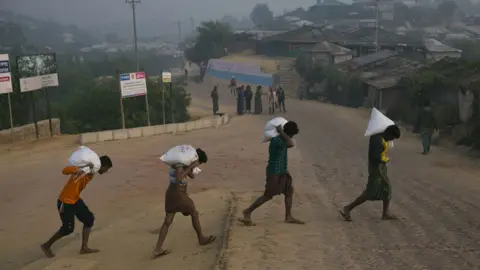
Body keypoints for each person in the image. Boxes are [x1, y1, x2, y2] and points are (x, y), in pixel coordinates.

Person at [40, 156, 113, 258]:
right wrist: (80, 169)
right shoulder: (84, 169)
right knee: (67, 228)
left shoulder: (91, 171)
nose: (106, 171)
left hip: (75, 199)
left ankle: (84, 247)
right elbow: (65, 170)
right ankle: (46, 245)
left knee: (89, 219)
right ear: (103, 166)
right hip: (65, 202)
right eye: (107, 169)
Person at [152, 149, 216, 258]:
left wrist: (191, 166)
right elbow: (178, 179)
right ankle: (201, 238)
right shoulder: (179, 164)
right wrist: (191, 167)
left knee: (168, 220)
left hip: (172, 193)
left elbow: (192, 176)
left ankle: (157, 249)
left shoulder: (184, 163)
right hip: (178, 193)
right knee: (194, 212)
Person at [239, 122, 304, 226]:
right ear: (288, 133)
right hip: (274, 172)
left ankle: (288, 216)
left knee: (289, 192)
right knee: (268, 196)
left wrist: (282, 133)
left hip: (282, 171)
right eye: (292, 134)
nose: (292, 136)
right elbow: (291, 143)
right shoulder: (277, 140)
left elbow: (290, 142)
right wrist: (281, 132)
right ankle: (247, 211)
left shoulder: (282, 139)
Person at [340, 125, 401, 222]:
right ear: (388, 133)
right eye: (392, 137)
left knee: (387, 189)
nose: (391, 140)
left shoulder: (378, 137)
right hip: (376, 168)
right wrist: (382, 176)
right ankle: (347, 208)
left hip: (380, 166)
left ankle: (385, 214)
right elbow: (376, 161)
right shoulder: (378, 141)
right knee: (370, 192)